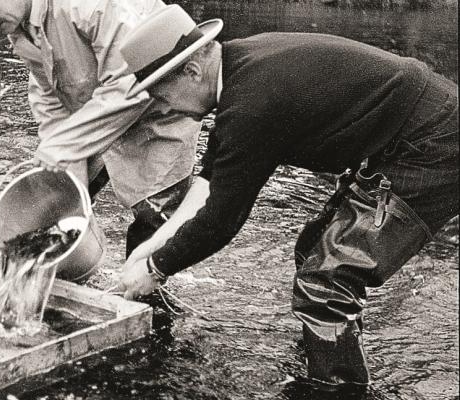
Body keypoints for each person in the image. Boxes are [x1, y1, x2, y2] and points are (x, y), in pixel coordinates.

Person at [115, 5, 458, 387]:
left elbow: (221, 221)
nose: (161, 106)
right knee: (314, 250)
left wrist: (157, 270)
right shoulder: (239, 70)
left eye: (160, 92)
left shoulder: (251, 103)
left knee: (326, 283)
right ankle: (326, 357)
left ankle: (338, 391)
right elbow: (210, 182)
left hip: (435, 144)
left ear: (192, 71)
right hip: (405, 138)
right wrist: (147, 251)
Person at [0, 0, 203, 273]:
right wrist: (59, 152)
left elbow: (136, 81)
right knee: (52, 204)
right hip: (95, 110)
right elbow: (49, 96)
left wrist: (69, 144)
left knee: (153, 218)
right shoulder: (22, 30)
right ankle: (66, 277)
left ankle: (149, 297)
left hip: (162, 107)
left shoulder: (88, 6)